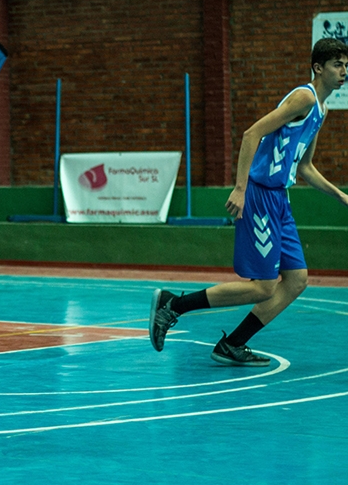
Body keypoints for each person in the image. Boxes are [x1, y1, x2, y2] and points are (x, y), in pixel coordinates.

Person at [149, 38, 348, 366]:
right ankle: (173, 305)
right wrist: (240, 189)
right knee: (263, 287)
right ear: (318, 67)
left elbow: (305, 167)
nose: (344, 72)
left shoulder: (321, 111)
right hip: (259, 196)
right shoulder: (303, 97)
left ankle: (233, 344)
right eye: (337, 65)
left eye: (346, 65)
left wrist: (339, 195)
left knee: (296, 280)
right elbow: (251, 134)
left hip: (279, 200)